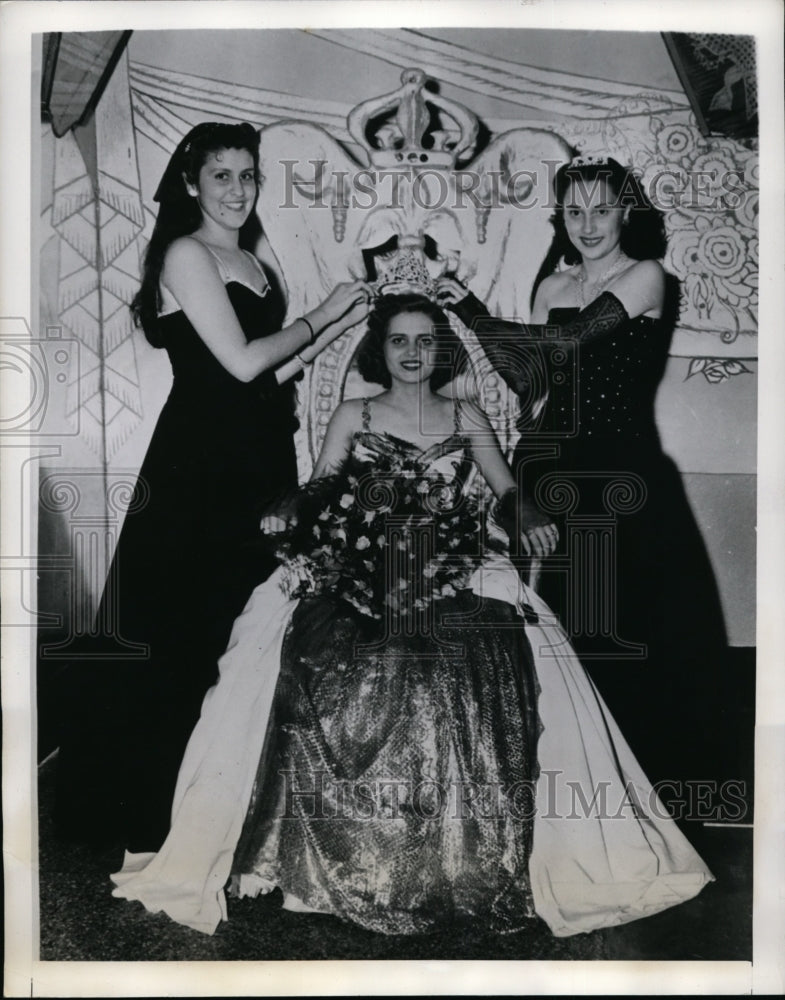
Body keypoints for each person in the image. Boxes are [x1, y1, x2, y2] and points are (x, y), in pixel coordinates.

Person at [111, 292, 713, 938]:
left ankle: (463, 862)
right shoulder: (354, 412)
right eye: (398, 341)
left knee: (488, 652)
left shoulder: (467, 415)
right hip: (359, 565)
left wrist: (527, 513)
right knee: (301, 651)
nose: (411, 353)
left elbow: (506, 492)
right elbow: (320, 488)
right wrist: (292, 507)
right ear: (381, 348)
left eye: (425, 341)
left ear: (440, 350)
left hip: (452, 560)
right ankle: (318, 858)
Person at [54, 121, 371, 852]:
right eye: (221, 175)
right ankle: (139, 816)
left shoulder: (248, 260)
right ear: (191, 183)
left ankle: (213, 814)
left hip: (253, 456)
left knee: (240, 632)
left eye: (248, 175)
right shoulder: (186, 252)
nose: (237, 189)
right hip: (199, 467)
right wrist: (323, 310)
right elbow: (237, 363)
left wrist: (344, 316)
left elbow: (271, 374)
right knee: (180, 636)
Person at [436, 154, 728, 784]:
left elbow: (571, 341)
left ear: (627, 211)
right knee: (553, 631)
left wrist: (471, 307)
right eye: (574, 210)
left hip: (623, 475)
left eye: (601, 208)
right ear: (559, 216)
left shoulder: (646, 275)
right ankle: (561, 795)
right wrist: (470, 313)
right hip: (550, 467)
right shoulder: (552, 288)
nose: (588, 223)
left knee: (620, 628)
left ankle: (635, 798)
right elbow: (528, 378)